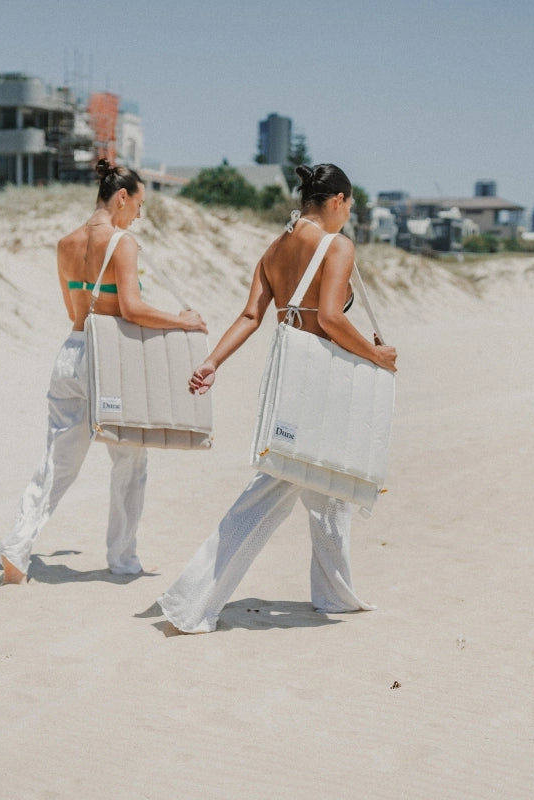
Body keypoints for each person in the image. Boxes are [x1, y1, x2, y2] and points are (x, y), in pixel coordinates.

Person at [157, 163, 398, 633]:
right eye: (349, 205)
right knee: (272, 492)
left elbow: (251, 316)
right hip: (320, 385)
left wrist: (212, 362)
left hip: (290, 379)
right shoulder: (338, 246)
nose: (348, 215)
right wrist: (376, 354)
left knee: (329, 485)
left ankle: (335, 595)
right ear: (336, 201)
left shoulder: (275, 249)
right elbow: (329, 318)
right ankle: (190, 602)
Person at [0, 160, 207, 585]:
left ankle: (17, 545)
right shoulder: (122, 242)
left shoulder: (66, 242)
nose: (139, 215)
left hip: (71, 352)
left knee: (57, 461)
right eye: (139, 204)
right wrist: (183, 321)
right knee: (130, 459)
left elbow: (74, 311)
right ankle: (123, 559)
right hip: (109, 359)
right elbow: (131, 309)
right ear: (121, 197)